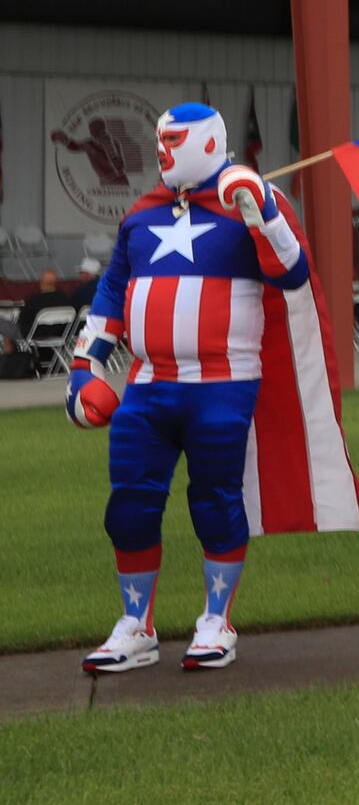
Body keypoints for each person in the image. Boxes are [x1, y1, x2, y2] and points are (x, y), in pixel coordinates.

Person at [64, 102, 312, 676]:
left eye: (174, 140)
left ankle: (216, 620)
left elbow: (293, 273)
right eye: (160, 140)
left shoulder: (244, 201)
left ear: (206, 141)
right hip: (148, 385)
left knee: (216, 501)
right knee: (128, 504)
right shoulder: (144, 212)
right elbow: (112, 290)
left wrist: (265, 214)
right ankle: (136, 626)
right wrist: (84, 365)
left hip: (223, 383)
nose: (162, 151)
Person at [2, 269, 78, 381]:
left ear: (41, 283)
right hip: (59, 334)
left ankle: (8, 361)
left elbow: (21, 319)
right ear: (56, 283)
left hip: (33, 334)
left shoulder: (34, 300)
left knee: (4, 325)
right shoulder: (65, 298)